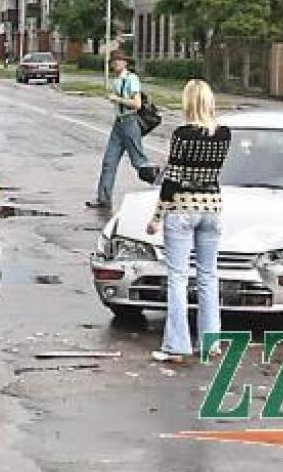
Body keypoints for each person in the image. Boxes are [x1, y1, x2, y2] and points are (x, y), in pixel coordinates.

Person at [146, 80, 231, 364]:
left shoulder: (182, 135)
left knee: (178, 278)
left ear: (188, 103)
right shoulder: (224, 134)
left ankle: (176, 346)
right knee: (208, 276)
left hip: (182, 209)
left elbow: (172, 179)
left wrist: (157, 217)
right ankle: (211, 343)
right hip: (212, 208)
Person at [86, 52, 158, 210]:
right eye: (114, 61)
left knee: (139, 162)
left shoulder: (131, 79)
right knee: (109, 161)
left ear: (125, 63)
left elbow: (137, 104)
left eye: (119, 61)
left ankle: (163, 185)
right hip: (119, 123)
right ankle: (103, 199)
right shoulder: (116, 80)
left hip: (130, 122)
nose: (116, 63)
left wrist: (117, 99)